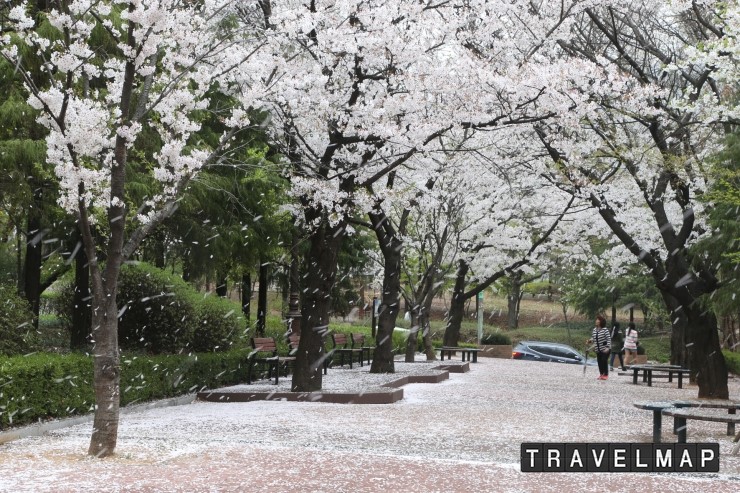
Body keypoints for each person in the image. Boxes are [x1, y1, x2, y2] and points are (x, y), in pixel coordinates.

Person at [587, 314, 611, 380]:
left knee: (604, 360)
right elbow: (594, 338)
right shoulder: (595, 330)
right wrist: (590, 340)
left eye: (597, 320)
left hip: (605, 349)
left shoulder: (605, 330)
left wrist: (607, 348)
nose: (596, 321)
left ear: (601, 321)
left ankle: (605, 374)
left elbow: (608, 339)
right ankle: (601, 374)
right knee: (599, 362)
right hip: (598, 349)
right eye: (596, 320)